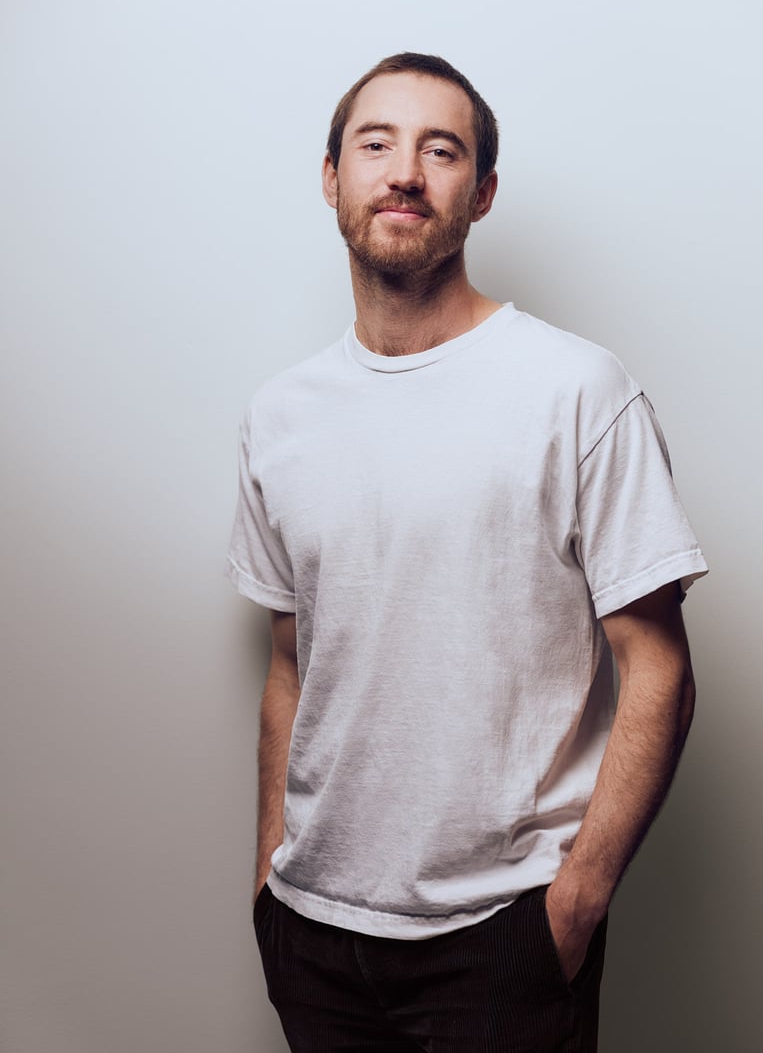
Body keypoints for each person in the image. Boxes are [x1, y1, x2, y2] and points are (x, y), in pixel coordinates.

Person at [226, 53, 707, 1052]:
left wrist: (574, 906)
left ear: (481, 192)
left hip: (504, 938)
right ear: (332, 177)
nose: (405, 172)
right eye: (376, 144)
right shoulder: (280, 415)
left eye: (440, 150)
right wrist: (270, 873)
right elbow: (287, 661)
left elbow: (657, 664)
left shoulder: (578, 391)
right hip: (313, 932)